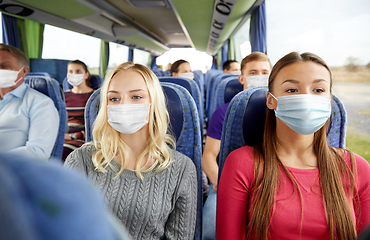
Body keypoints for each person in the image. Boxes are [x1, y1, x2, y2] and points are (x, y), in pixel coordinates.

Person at [217, 52, 370, 240]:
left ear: (329, 102)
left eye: (318, 90)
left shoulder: (357, 168)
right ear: (271, 100)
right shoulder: (243, 164)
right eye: (292, 90)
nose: (306, 98)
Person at [64, 62, 197, 239]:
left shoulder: (181, 169)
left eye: (136, 97)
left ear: (153, 103)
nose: (123, 105)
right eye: (114, 99)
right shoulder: (81, 160)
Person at [202, 52, 271, 240]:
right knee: (210, 230)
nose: (260, 77)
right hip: (226, 181)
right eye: (253, 72)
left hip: (270, 182)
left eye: (265, 72)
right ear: (242, 78)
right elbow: (208, 156)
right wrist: (222, 183)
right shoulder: (224, 112)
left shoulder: (280, 112)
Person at [0, 43, 59, 160]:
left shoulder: (41, 103)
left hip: (13, 173)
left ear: (24, 71)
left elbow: (37, 152)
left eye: (4, 66)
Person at [63, 60, 94, 160]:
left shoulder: (95, 97)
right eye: (70, 72)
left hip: (83, 139)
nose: (74, 74)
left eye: (78, 71)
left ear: (86, 75)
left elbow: (97, 125)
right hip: (62, 137)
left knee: (63, 152)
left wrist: (73, 135)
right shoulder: (62, 95)